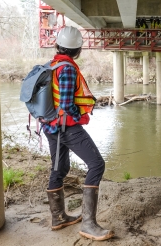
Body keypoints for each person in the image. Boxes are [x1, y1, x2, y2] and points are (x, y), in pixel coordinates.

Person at [42, 26, 114, 241]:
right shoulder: (68, 69)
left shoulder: (51, 65)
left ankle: (58, 218)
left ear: (57, 46)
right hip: (66, 126)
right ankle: (89, 224)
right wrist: (79, 113)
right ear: (78, 50)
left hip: (50, 126)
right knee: (96, 164)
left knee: (59, 167)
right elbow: (65, 103)